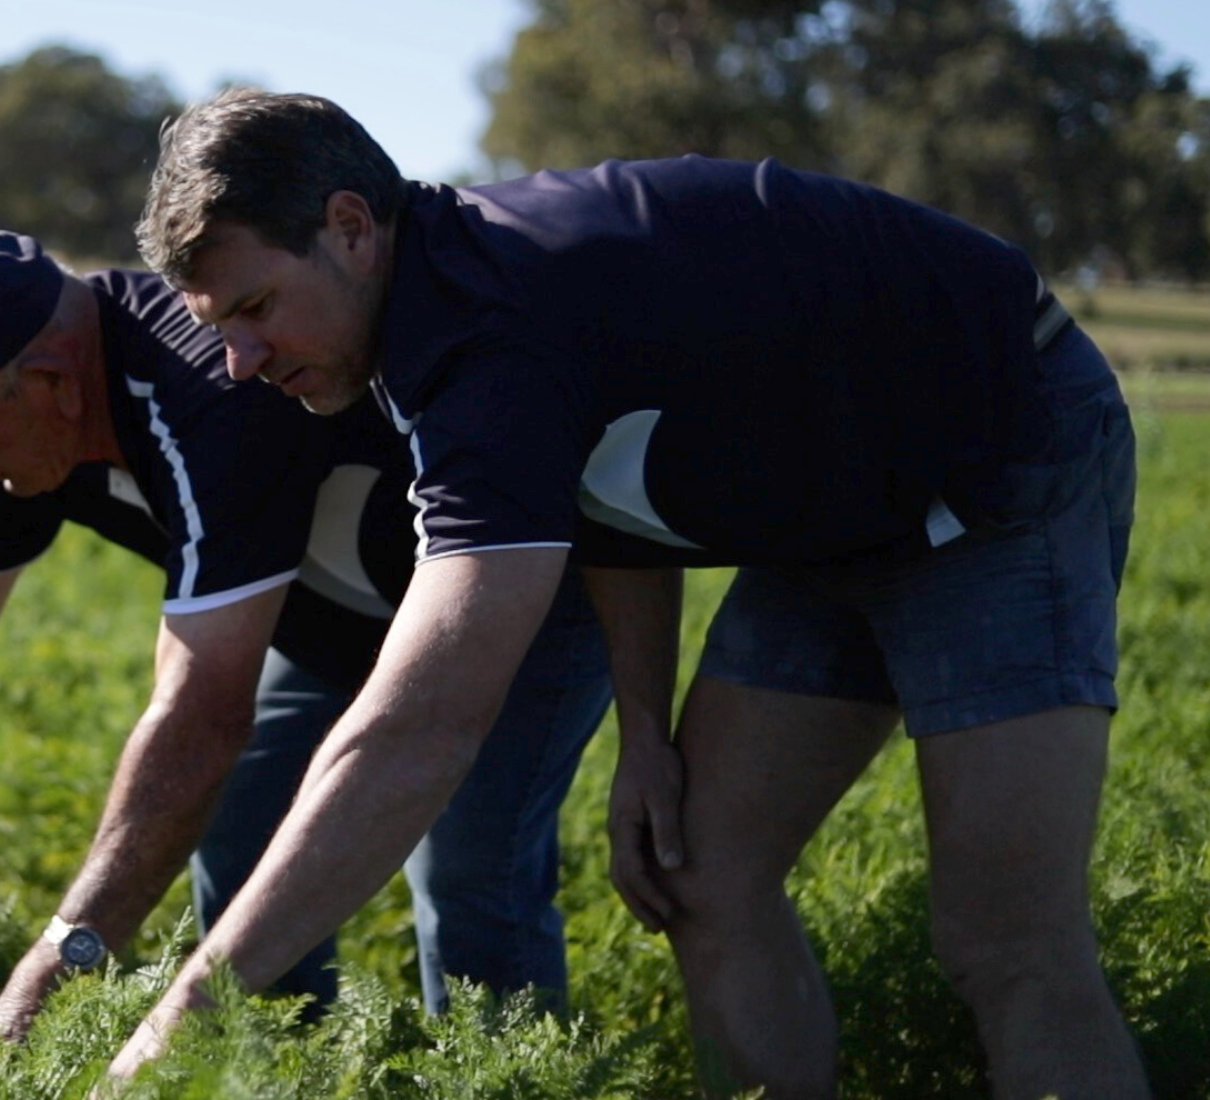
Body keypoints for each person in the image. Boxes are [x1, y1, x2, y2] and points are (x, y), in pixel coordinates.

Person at [107, 89, 1147, 1099]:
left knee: (1004, 941)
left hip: (1001, 456)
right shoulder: (431, 305)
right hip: (827, 516)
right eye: (216, 326)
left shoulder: (488, 327)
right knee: (698, 874)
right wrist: (642, 732)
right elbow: (612, 496)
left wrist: (187, 1010)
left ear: (348, 228)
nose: (235, 363)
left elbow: (419, 726)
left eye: (252, 310)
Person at [0, 230, 616, 1037]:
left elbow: (200, 717)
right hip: (332, 628)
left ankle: (507, 1073)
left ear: (57, 381)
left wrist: (53, 970)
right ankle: (279, 1069)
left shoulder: (208, 389)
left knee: (468, 868)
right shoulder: (12, 425)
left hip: (511, 602)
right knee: (242, 829)